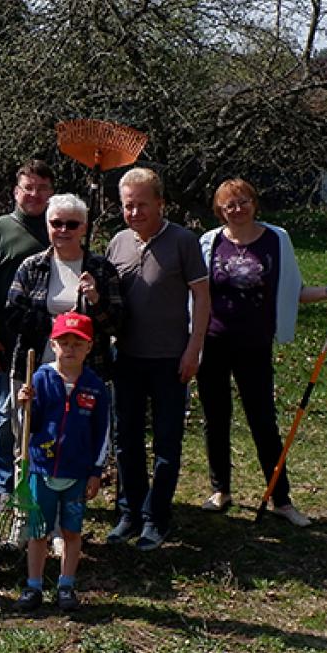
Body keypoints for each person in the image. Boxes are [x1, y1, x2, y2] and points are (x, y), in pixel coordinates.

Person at [197, 179, 327, 526]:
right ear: (219, 211)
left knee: (263, 421)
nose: (237, 210)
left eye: (243, 202)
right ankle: (220, 490)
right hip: (212, 342)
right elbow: (196, 294)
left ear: (255, 203)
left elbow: (294, 291)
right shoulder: (209, 243)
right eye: (229, 205)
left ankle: (280, 499)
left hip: (255, 344)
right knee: (215, 417)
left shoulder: (276, 240)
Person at [105, 167, 211, 551]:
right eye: (127, 206)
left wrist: (193, 349)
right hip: (127, 357)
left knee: (167, 442)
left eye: (141, 205)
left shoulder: (183, 241)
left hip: (170, 358)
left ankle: (156, 517)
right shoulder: (117, 243)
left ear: (160, 203)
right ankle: (129, 512)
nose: (134, 213)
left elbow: (201, 298)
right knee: (126, 439)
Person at [13, 312, 111, 612]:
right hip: (42, 469)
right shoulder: (40, 378)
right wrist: (23, 404)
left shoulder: (95, 387)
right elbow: (28, 424)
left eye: (77, 343)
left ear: (89, 347)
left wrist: (96, 472)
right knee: (38, 531)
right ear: (53, 345)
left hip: (77, 472)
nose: (70, 349)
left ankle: (66, 585)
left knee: (71, 531)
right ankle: (33, 586)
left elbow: (103, 432)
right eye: (63, 342)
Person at [0, 160, 55, 513]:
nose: (34, 194)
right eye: (28, 187)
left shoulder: (60, 227)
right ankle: (4, 485)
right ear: (16, 191)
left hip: (56, 341)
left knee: (51, 411)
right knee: (8, 413)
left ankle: (47, 481)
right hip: (10, 341)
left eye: (41, 188)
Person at [3, 193, 122, 387]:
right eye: (56, 223)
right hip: (35, 372)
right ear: (47, 225)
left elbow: (115, 324)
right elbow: (13, 315)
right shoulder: (31, 267)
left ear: (84, 228)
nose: (63, 230)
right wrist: (60, 326)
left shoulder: (101, 269)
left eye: (72, 224)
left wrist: (95, 300)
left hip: (88, 374)